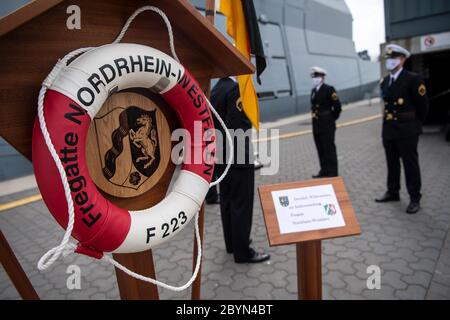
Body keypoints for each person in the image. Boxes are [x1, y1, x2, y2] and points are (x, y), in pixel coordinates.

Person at [211, 77, 270, 264]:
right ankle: (243, 251)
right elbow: (237, 125)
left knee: (227, 201)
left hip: (221, 156)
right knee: (242, 204)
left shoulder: (214, 91)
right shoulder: (235, 89)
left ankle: (232, 244)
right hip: (238, 156)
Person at [375, 44, 429, 214]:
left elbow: (423, 107)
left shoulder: (413, 79)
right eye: (388, 59)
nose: (390, 61)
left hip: (407, 130)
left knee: (410, 164)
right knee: (392, 163)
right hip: (389, 129)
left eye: (394, 58)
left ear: (403, 59)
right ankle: (393, 192)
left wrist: (415, 126)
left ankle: (414, 198)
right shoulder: (385, 81)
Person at [310, 67, 342, 178]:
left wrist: (331, 118)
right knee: (320, 148)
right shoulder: (314, 90)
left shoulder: (329, 89)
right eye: (314, 77)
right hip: (316, 124)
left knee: (329, 148)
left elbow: (337, 107)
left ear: (323, 77)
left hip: (327, 124)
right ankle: (324, 170)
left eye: (317, 76)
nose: (315, 79)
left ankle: (333, 172)